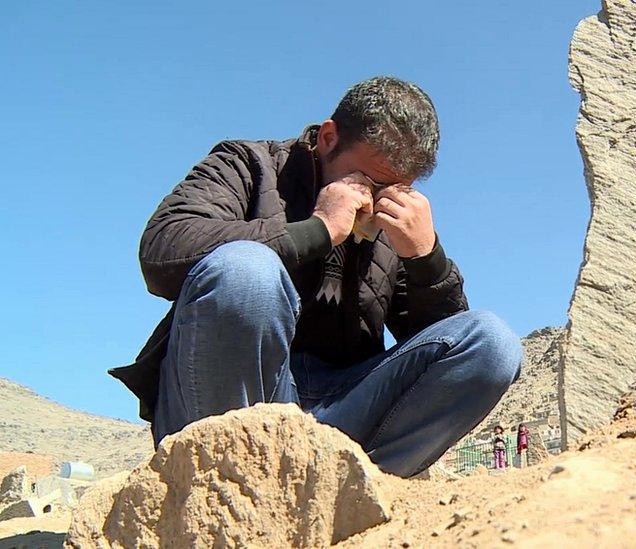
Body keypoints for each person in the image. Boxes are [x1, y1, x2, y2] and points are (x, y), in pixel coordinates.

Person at [108, 76, 524, 478]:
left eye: (396, 190)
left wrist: (426, 258)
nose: (375, 202)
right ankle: (228, 484)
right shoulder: (249, 164)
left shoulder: (388, 225)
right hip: (229, 402)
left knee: (492, 342)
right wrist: (317, 228)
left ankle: (352, 493)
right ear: (328, 138)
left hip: (340, 409)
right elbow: (162, 251)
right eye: (367, 180)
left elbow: (439, 353)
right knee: (246, 271)